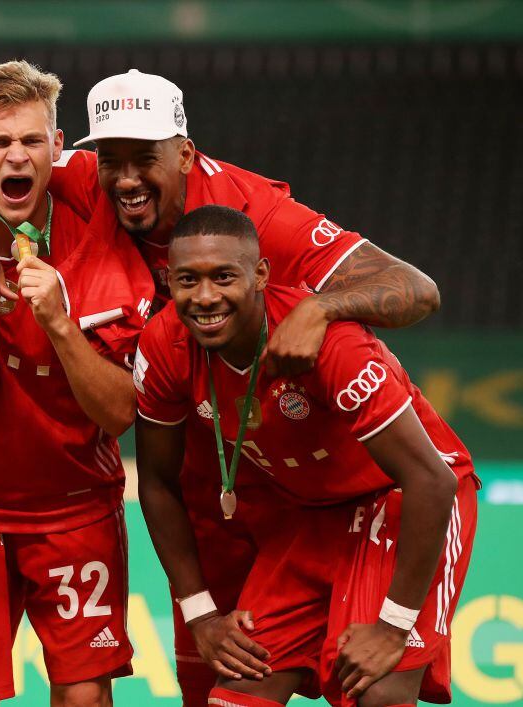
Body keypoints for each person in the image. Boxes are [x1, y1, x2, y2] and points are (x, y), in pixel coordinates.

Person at [0, 68, 442, 704]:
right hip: (199, 457)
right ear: (84, 154)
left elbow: (417, 288)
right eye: (110, 158)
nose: (127, 178)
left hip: (302, 473)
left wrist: (320, 308)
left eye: (146, 158)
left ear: (186, 154)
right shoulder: (84, 175)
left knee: (369, 686)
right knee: (215, 681)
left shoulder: (257, 218)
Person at [134, 205, 476, 706]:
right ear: (170, 279)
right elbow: (159, 482)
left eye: (223, 277)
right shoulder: (165, 343)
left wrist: (393, 626)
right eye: (187, 280)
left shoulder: (332, 346)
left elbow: (432, 480)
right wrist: (201, 614)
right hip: (309, 513)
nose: (205, 297)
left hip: (403, 499)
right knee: (235, 694)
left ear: (261, 275)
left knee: (376, 692)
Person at [0, 60, 154, 707]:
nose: (15, 154)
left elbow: (122, 411)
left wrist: (58, 320)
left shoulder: (102, 223)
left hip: (76, 504)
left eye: (30, 140)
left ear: (58, 146)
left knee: (85, 698)